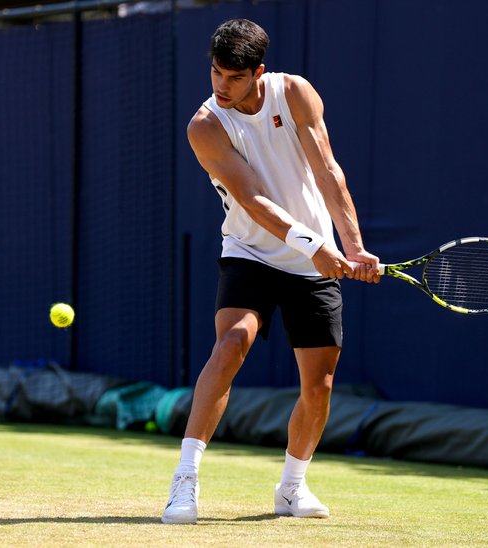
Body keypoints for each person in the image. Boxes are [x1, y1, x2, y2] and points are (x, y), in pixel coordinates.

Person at [161, 18, 380, 525]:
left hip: (314, 259)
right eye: (215, 73)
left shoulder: (295, 93)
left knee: (319, 386)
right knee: (232, 342)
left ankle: (291, 488)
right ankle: (185, 480)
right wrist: (315, 245)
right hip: (250, 251)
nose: (221, 85)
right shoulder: (206, 126)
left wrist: (354, 245)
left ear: (258, 72)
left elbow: (327, 170)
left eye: (234, 77)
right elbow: (254, 200)